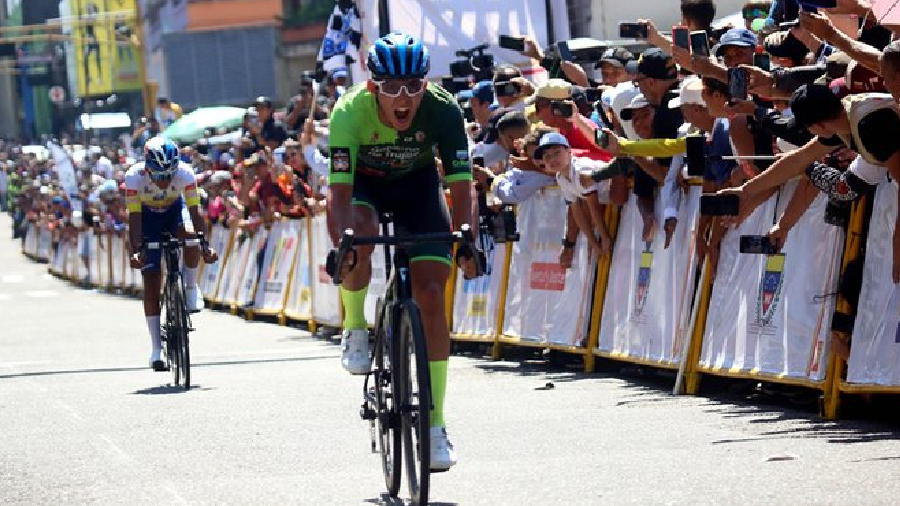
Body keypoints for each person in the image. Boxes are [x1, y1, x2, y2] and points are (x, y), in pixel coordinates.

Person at [327, 32, 479, 472]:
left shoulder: (444, 109)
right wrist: (343, 242)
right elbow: (337, 196)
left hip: (418, 189)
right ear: (373, 87)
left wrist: (466, 233)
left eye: (413, 86)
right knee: (360, 234)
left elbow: (459, 183)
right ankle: (355, 327)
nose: (403, 97)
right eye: (392, 87)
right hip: (363, 186)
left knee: (432, 293)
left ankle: (435, 426)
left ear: (425, 86)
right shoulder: (348, 112)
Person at [125, 137, 218, 371]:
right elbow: (134, 219)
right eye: (159, 176)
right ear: (148, 169)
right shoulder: (133, 178)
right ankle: (156, 349)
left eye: (169, 175)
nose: (165, 181)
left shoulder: (186, 175)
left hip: (174, 213)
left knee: (190, 237)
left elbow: (196, 213)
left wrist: (205, 244)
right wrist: (137, 251)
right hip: (147, 219)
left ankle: (189, 286)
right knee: (151, 279)